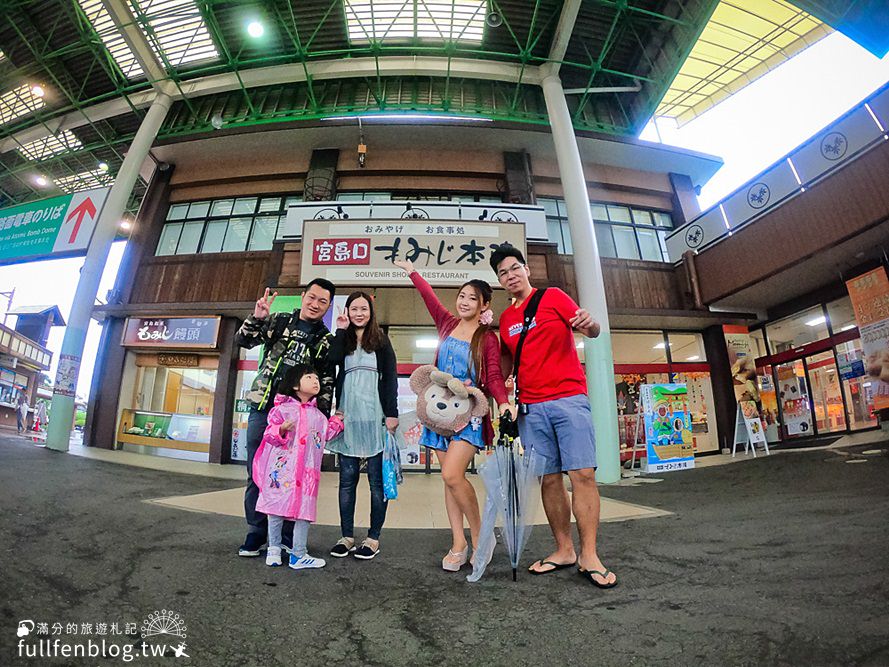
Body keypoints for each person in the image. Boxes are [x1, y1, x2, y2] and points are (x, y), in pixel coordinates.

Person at [491, 243, 618, 589]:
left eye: (515, 267)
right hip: (530, 407)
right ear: (500, 281)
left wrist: (590, 325)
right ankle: (564, 550)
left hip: (568, 399)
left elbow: (590, 330)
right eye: (503, 272)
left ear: (527, 269)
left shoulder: (554, 297)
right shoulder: (506, 320)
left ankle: (589, 554)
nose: (511, 275)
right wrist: (499, 391)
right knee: (548, 479)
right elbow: (504, 362)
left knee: (582, 474)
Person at [393, 258, 513, 571]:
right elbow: (429, 297)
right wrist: (412, 271)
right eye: (462, 295)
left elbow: (496, 376)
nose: (464, 301)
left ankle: (482, 536)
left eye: (472, 298)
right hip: (438, 414)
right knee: (451, 482)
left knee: (451, 474)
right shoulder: (447, 324)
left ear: (484, 304)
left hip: (469, 414)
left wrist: (502, 402)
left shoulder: (487, 338)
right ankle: (458, 542)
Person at [235, 278, 337, 557]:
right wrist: (256, 318)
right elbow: (243, 340)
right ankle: (256, 533)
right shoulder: (278, 321)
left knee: (292, 476)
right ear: (303, 296)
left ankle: (286, 537)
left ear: (327, 306)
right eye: (312, 297)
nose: (315, 304)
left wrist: (322, 421)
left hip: (299, 418)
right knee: (257, 473)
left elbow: (326, 381)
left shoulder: (325, 341)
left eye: (322, 301)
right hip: (264, 407)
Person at [327, 291, 399, 560]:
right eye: (354, 308)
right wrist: (339, 330)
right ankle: (346, 536)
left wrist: (391, 414)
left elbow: (390, 376)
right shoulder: (343, 339)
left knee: (376, 483)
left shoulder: (381, 340)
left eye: (363, 309)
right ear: (347, 311)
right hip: (349, 416)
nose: (359, 313)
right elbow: (331, 360)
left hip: (376, 417)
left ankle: (372, 538)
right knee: (346, 481)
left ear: (371, 312)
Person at [253, 365, 343, 570]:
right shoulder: (281, 410)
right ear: (295, 385)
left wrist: (337, 421)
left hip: (307, 474)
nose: (315, 381)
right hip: (281, 471)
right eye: (309, 377)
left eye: (317, 378)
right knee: (274, 510)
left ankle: (299, 554)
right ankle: (273, 549)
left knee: (304, 512)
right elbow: (268, 435)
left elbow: (325, 435)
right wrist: (281, 429)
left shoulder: (319, 416)